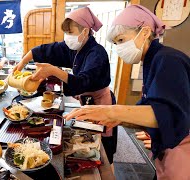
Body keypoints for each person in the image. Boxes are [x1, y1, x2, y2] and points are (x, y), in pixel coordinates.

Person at [64, 5, 190, 179]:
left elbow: (167, 113)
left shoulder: (168, 59)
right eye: (116, 43)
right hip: (170, 147)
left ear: (145, 32)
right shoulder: (153, 59)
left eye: (121, 40)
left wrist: (113, 111)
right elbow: (151, 106)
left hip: (183, 151)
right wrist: (120, 118)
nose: (118, 48)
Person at [14, 7, 118, 165]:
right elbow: (47, 50)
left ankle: (106, 169)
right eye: (66, 32)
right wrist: (22, 62)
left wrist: (54, 70)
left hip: (100, 101)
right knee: (87, 140)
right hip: (86, 99)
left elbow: (83, 82)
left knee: (102, 144)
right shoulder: (75, 47)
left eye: (71, 32)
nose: (68, 37)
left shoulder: (97, 53)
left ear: (85, 31)